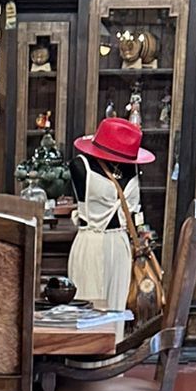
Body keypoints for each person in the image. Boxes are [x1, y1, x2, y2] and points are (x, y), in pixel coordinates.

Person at [68, 115, 152, 312]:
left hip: (121, 244)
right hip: (91, 242)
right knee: (87, 310)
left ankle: (117, 343)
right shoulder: (80, 165)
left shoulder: (132, 167)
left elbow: (134, 213)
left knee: (117, 309)